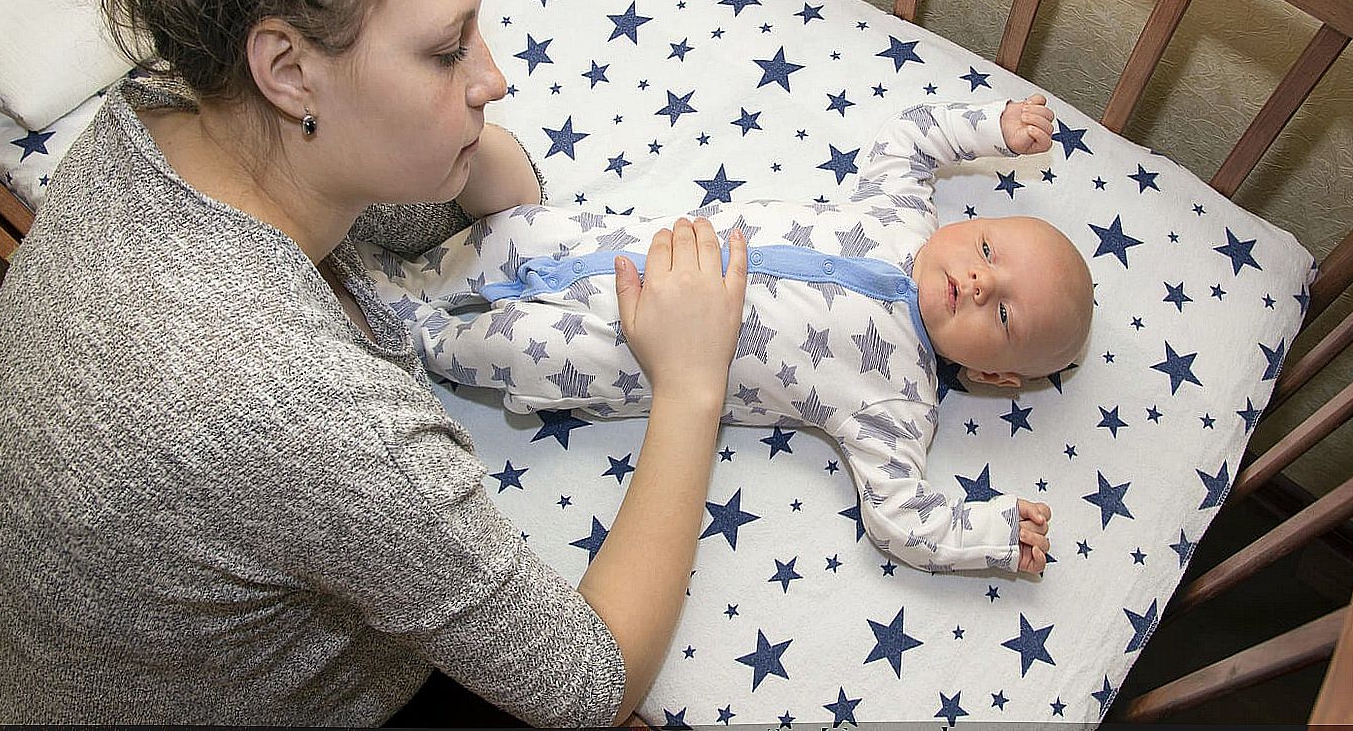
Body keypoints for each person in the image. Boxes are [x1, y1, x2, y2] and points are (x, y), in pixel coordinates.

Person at [0, 0, 747, 727]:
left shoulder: (150, 116)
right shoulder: (303, 410)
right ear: (286, 67)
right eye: (443, 48)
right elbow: (587, 686)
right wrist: (692, 380)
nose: (495, 76)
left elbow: (394, 208)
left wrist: (473, 157)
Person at [360, 95, 1092, 576]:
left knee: (521, 348)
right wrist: (994, 128)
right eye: (989, 250)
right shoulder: (900, 209)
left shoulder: (898, 406)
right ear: (973, 226)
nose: (979, 281)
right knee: (513, 233)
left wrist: (989, 534)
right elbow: (910, 136)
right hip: (612, 244)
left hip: (625, 352)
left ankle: (418, 333)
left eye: (1003, 316)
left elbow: (900, 518)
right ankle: (395, 263)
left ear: (995, 377)